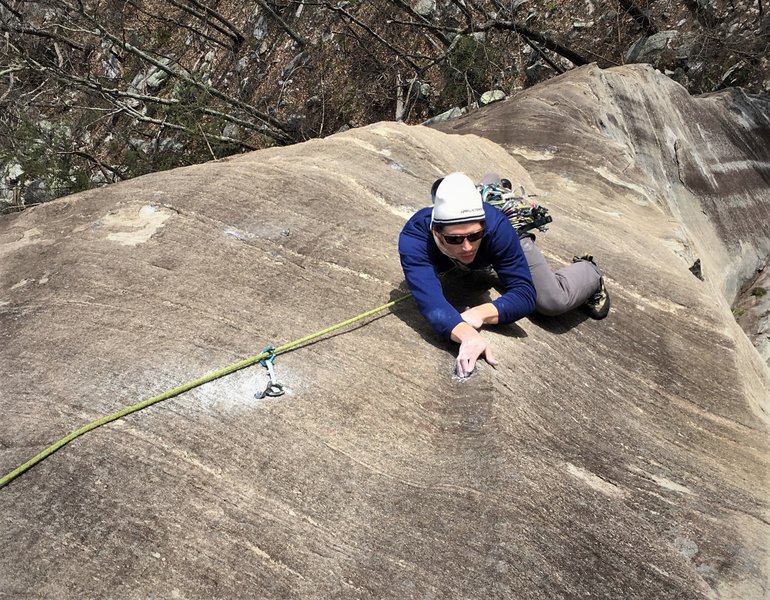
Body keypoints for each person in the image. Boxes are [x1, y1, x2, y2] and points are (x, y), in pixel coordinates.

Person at [398, 171, 610, 378]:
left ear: (483, 226)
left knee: (551, 301)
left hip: (508, 234)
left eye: (475, 236)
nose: (467, 247)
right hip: (482, 230)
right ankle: (491, 186)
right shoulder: (415, 238)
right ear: (436, 231)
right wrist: (464, 333)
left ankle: (589, 271)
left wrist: (478, 314)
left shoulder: (496, 227)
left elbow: (524, 294)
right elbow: (430, 300)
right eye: (455, 239)